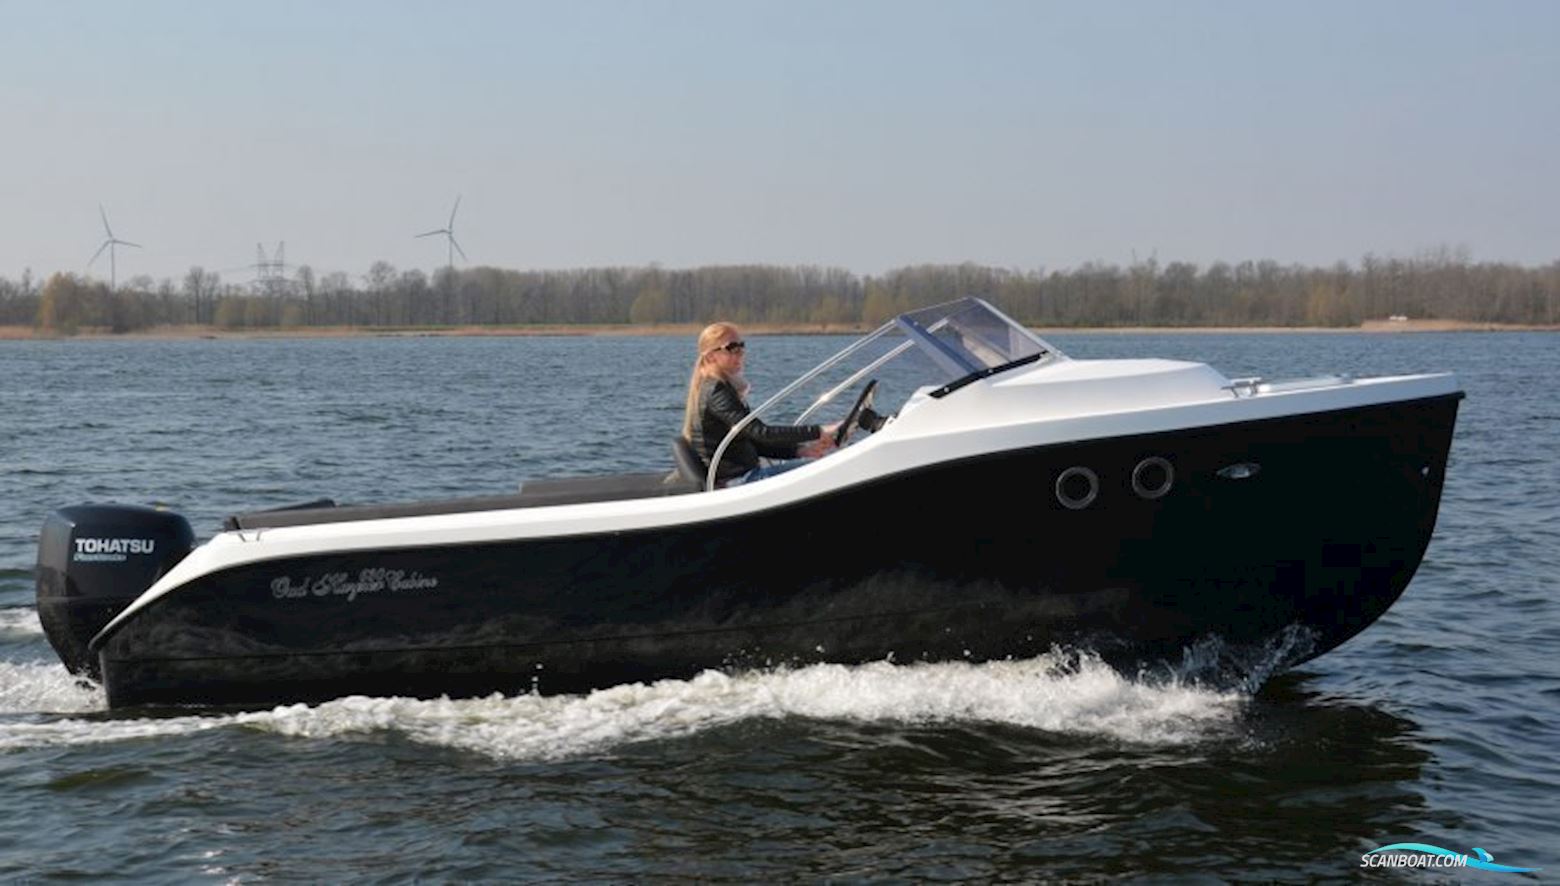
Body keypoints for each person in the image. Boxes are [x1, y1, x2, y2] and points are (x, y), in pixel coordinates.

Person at [682, 322, 839, 486]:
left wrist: (800, 451)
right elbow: (761, 432)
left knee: (822, 467)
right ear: (710, 356)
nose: (740, 353)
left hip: (745, 475)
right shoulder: (716, 390)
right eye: (731, 347)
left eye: (741, 346)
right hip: (738, 481)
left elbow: (754, 441)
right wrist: (819, 431)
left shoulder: (722, 387)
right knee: (826, 473)